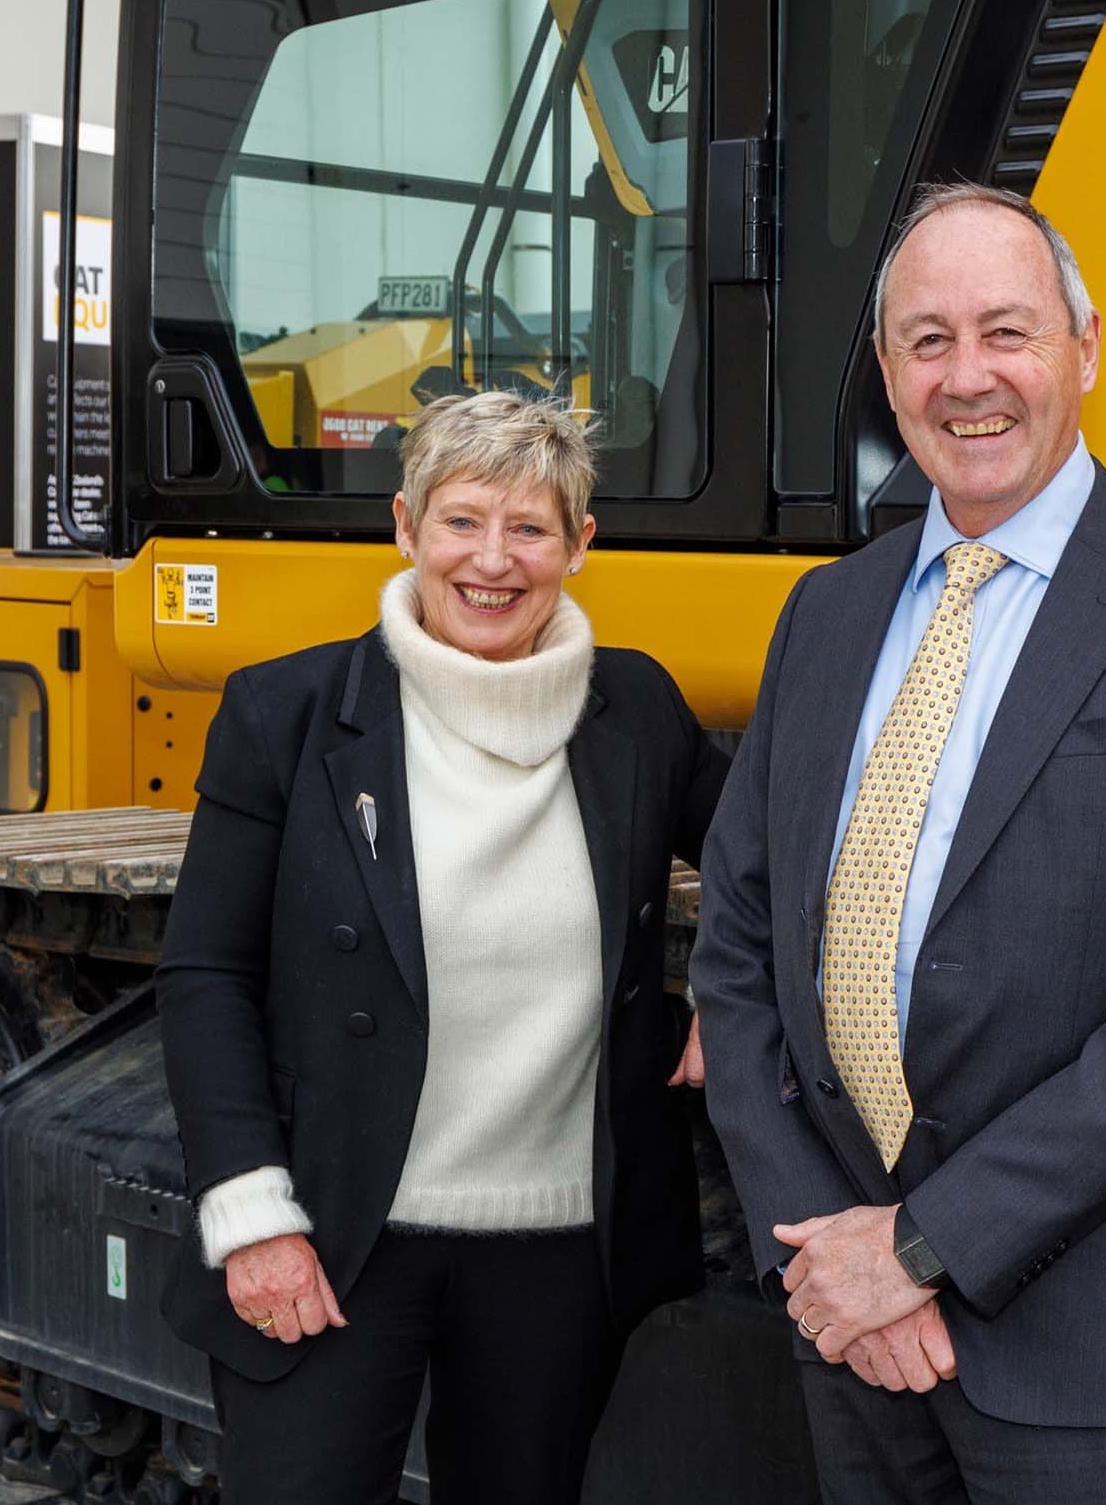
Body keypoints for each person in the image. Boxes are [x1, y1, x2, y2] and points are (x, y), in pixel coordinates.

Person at [691, 182, 1106, 1502]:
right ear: (887, 374)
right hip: (855, 1342)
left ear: (1083, 349)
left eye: (1006, 332)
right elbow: (739, 953)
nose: (967, 377)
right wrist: (825, 1257)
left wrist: (919, 1247)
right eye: (927, 341)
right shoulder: (825, 614)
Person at [155, 391, 728, 1505]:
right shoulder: (287, 713)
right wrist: (251, 1214)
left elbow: (772, 859)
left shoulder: (638, 710)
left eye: (530, 528)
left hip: (558, 1250)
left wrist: (730, 986)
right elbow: (206, 975)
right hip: (331, 1234)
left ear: (579, 545)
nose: (493, 560)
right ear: (407, 526)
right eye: (463, 521)